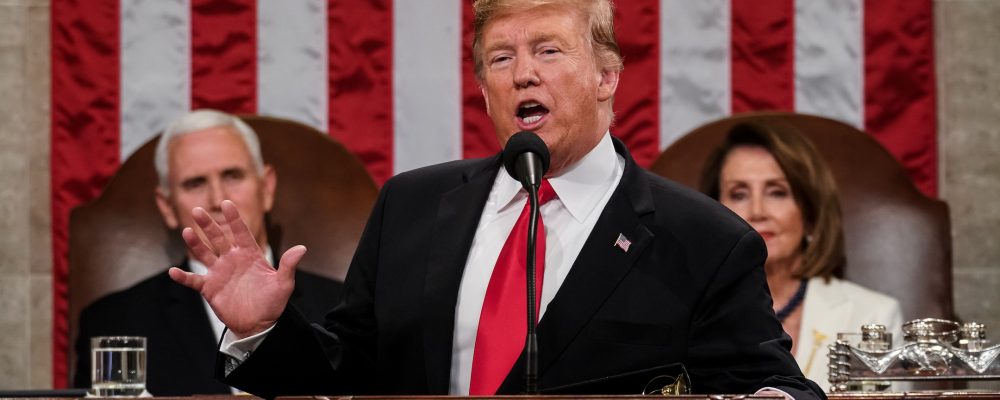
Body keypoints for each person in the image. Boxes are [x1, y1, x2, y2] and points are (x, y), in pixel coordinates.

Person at [169, 1, 824, 398]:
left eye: (547, 51)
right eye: (501, 58)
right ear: (485, 91)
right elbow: (345, 376)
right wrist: (261, 329)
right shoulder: (411, 207)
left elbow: (779, 388)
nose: (524, 73)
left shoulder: (703, 241)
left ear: (606, 76)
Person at [73, 110, 342, 396]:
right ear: (167, 206)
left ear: (266, 187)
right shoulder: (114, 321)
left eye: (232, 175)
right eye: (195, 183)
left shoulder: (343, 307)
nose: (218, 199)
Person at [699, 122, 904, 391]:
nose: (757, 211)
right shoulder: (684, 316)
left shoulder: (873, 315)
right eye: (739, 194)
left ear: (809, 214)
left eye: (777, 192)